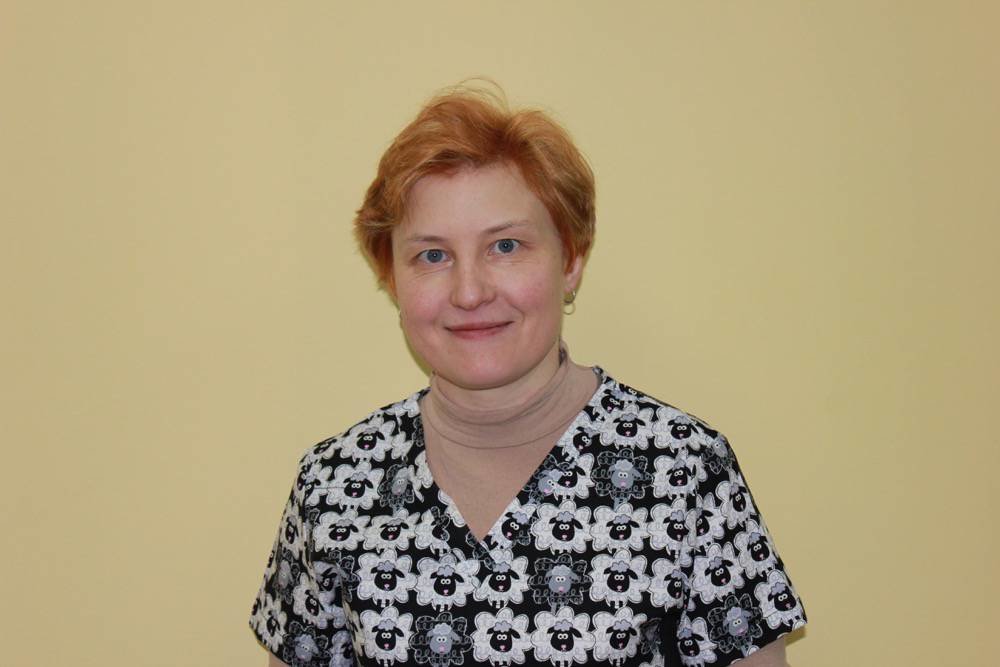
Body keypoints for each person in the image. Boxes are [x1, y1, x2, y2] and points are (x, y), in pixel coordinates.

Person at [249, 84, 806, 667]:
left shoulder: (686, 473)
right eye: (432, 256)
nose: (469, 292)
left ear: (572, 260)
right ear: (391, 278)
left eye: (506, 246)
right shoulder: (334, 487)